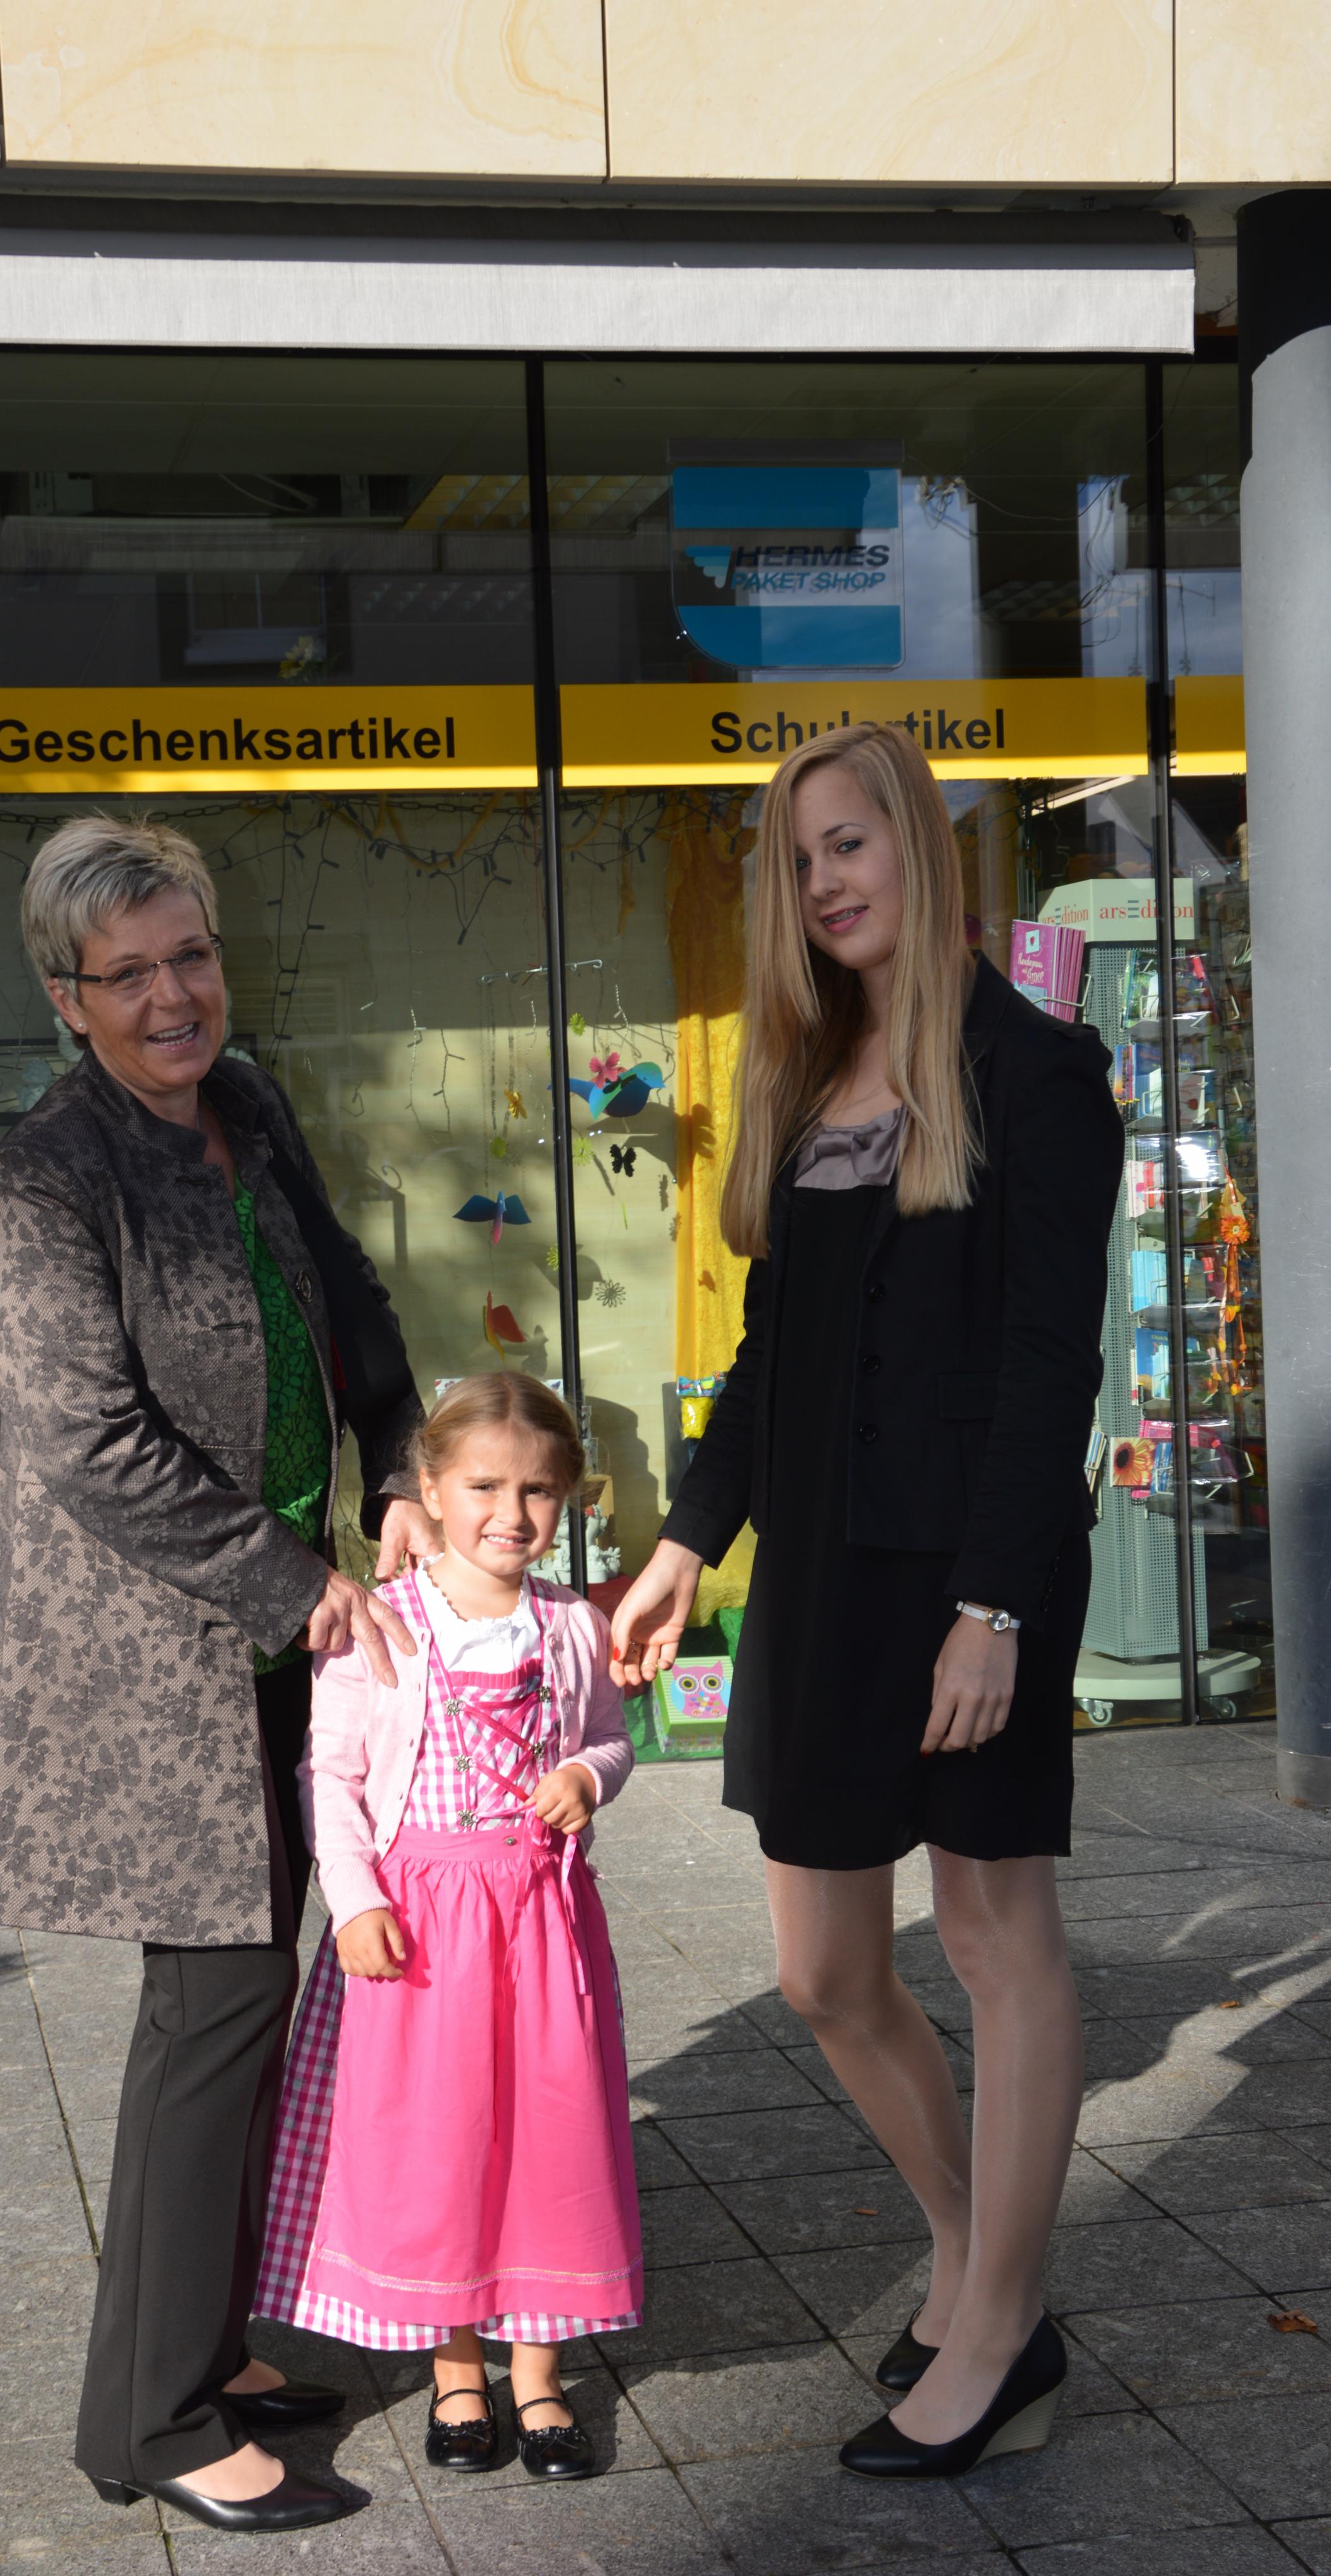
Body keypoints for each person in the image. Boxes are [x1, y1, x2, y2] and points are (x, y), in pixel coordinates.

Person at [612, 723, 1122, 2479]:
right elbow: (770, 1357)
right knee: (825, 1969)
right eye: (798, 856)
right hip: (825, 1571)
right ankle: (980, 2252)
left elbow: (1049, 1367)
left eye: (850, 841)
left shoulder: (1034, 1071)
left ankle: (994, 2329)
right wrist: (687, 1541)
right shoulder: (803, 1075)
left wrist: (994, 1606)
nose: (825, 880)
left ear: (917, 841)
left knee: (993, 1933)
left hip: (974, 1571)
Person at [0, 815, 437, 2533]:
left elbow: (352, 1303)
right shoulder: (45, 1174)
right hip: (153, 1662)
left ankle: (206, 2346)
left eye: (192, 956)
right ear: (66, 997)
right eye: (130, 975)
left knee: (249, 2003)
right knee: (213, 2009)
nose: (174, 996)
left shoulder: (249, 1106)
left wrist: (399, 1464)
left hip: (289, 1634)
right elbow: (87, 1436)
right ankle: (153, 2418)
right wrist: (294, 1578)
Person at [253, 1372, 641, 2478]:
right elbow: (329, 1775)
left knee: (548, 2140)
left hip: (541, 1928)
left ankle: (541, 2373)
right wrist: (356, 1901)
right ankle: (457, 2367)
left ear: (568, 1498)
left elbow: (612, 1736)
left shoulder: (571, 1626)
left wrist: (587, 1775)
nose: (511, 1514)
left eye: (538, 1491)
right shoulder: (381, 1625)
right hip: (418, 1933)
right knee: (440, 2145)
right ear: (429, 1489)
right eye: (484, 1487)